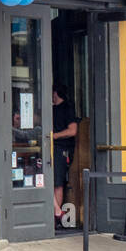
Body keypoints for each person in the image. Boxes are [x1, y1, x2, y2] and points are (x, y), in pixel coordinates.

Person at [51, 84, 78, 223]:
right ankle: (57, 213)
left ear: (55, 93)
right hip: (49, 148)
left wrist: (54, 136)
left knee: (57, 182)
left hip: (61, 149)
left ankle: (56, 218)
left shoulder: (67, 108)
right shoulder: (52, 109)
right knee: (49, 180)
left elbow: (73, 130)